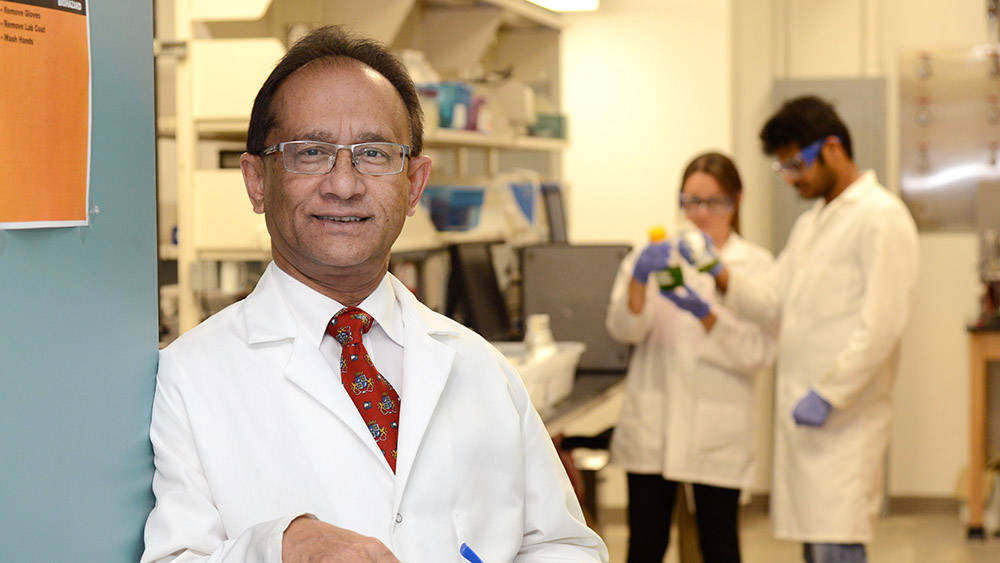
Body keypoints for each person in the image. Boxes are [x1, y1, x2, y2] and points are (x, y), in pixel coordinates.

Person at [140, 26, 608, 563]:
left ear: (413, 184)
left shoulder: (483, 369)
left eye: (375, 153)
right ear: (256, 180)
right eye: (311, 152)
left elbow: (562, 545)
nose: (344, 184)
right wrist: (277, 550)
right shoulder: (187, 379)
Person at [698, 96, 919, 563]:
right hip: (807, 422)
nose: (793, 178)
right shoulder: (810, 224)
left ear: (833, 148)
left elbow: (882, 326)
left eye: (797, 164)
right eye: (784, 168)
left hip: (845, 419)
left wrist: (830, 394)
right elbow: (771, 302)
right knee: (818, 547)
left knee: (837, 546)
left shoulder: (881, 216)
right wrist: (716, 273)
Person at [605, 152, 777, 563]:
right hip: (654, 422)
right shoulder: (655, 253)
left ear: (736, 201)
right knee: (645, 545)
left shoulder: (756, 265)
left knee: (719, 546)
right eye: (690, 201)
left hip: (716, 428)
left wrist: (706, 314)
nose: (700, 213)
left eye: (712, 202)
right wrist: (638, 279)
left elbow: (757, 353)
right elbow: (623, 330)